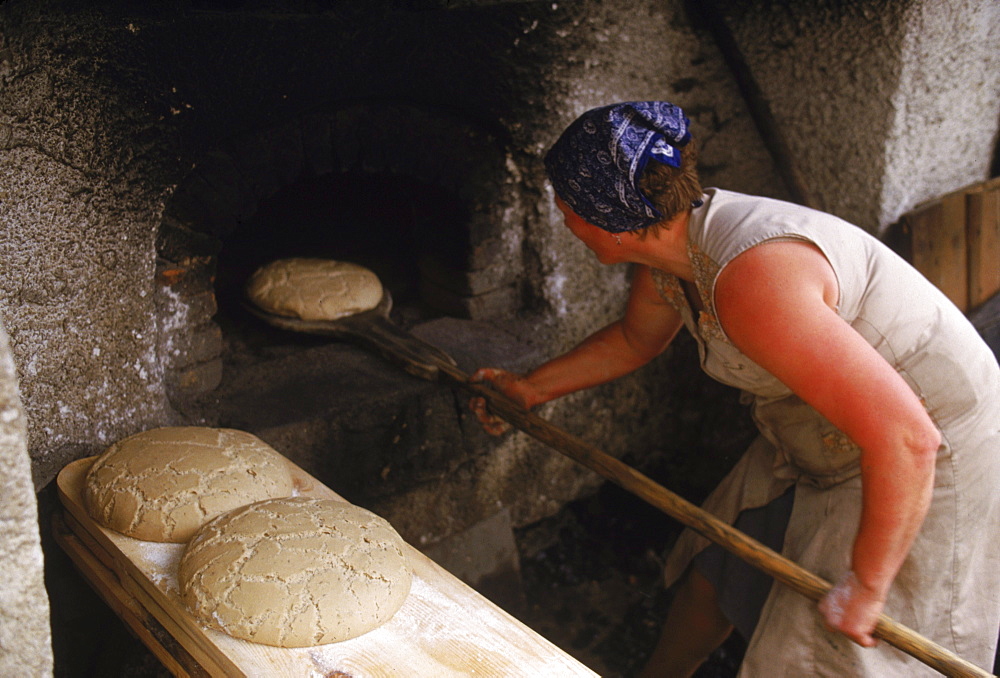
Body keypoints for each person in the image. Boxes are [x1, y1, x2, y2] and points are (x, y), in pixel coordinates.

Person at [469, 101, 1000, 676]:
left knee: (824, 658)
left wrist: (868, 585)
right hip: (821, 426)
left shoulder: (751, 281)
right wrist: (530, 388)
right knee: (716, 571)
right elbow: (633, 341)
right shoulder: (674, 255)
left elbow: (906, 439)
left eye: (564, 204)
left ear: (599, 215)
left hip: (924, 450)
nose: (562, 217)